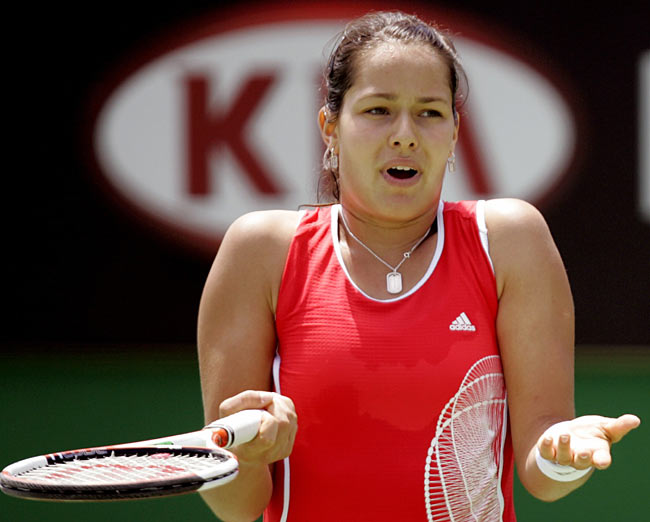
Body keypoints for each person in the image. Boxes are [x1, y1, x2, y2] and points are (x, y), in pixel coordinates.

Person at [196, 11, 640, 522]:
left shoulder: (512, 241)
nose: (405, 134)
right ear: (330, 128)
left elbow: (541, 468)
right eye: (378, 110)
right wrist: (243, 455)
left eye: (430, 113)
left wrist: (563, 452)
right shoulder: (259, 251)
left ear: (454, 133)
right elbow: (237, 505)